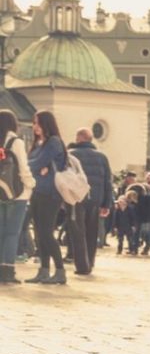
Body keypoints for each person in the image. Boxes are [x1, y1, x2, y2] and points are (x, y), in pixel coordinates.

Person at [25, 110, 67, 284]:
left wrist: (36, 168)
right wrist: (37, 168)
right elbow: (33, 164)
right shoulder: (38, 144)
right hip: (37, 191)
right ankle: (43, 270)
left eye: (38, 123)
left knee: (46, 233)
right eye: (34, 123)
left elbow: (35, 163)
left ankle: (60, 270)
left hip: (50, 193)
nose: (35, 127)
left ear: (46, 124)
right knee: (39, 234)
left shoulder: (54, 142)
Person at [67, 127, 113, 274]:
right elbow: (108, 182)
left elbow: (66, 178)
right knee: (92, 232)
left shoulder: (71, 155)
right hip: (95, 199)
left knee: (78, 232)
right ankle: (90, 262)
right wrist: (107, 204)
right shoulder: (102, 157)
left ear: (79, 138)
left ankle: (82, 266)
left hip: (77, 198)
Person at [0, 111, 36, 284]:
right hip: (18, 193)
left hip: (0, 192)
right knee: (12, 233)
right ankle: (8, 271)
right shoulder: (16, 142)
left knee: (1, 232)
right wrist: (31, 184)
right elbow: (23, 167)